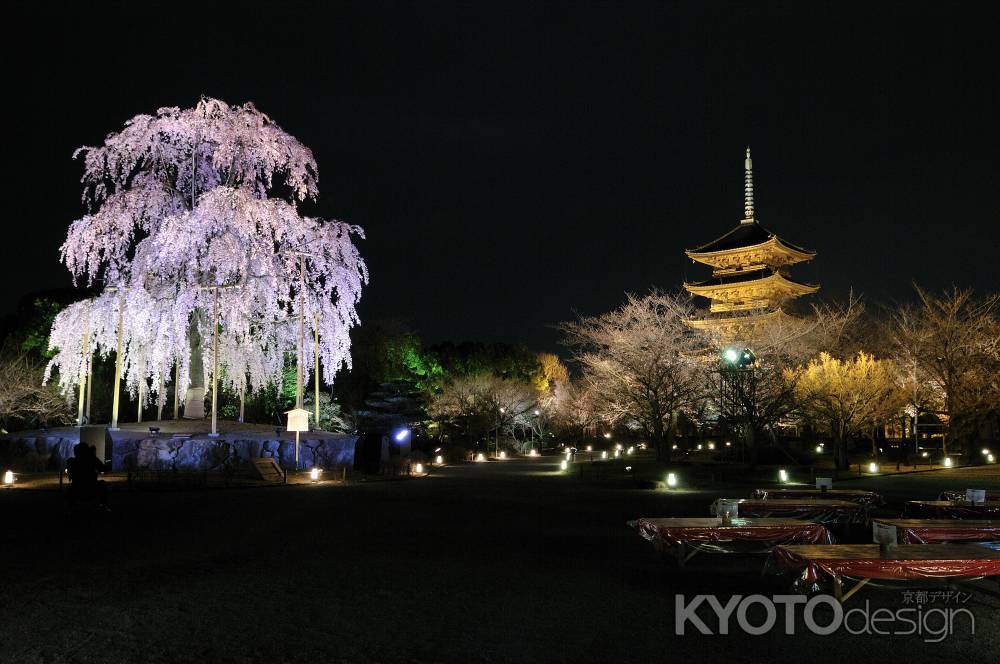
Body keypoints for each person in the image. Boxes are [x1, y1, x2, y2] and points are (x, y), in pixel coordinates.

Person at [66, 442, 109, 510]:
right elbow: (103, 469)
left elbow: (70, 476)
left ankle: (71, 508)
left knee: (69, 488)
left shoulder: (71, 461)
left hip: (77, 489)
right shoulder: (93, 459)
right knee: (103, 484)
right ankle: (103, 505)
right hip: (92, 488)